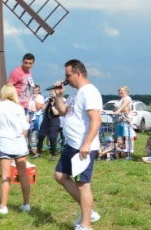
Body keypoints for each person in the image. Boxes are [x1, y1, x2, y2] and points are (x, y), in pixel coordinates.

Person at [50, 59, 102, 230]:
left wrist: (86, 144)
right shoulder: (76, 92)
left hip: (82, 146)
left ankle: (86, 225)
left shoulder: (89, 92)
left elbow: (96, 120)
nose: (66, 78)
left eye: (68, 75)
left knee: (82, 184)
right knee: (59, 176)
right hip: (72, 145)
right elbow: (64, 111)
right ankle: (89, 211)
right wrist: (58, 96)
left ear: (78, 73)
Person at [0, 84, 32, 214]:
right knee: (23, 175)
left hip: (4, 144)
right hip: (19, 143)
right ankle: (26, 204)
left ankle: (3, 207)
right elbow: (25, 127)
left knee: (5, 176)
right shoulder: (19, 108)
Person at [34, 93, 63, 160]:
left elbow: (56, 113)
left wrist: (52, 105)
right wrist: (47, 102)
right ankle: (38, 153)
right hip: (46, 121)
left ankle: (53, 155)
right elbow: (42, 109)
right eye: (50, 94)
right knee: (40, 137)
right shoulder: (48, 100)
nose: (51, 96)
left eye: (52, 94)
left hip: (54, 122)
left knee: (52, 138)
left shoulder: (59, 102)